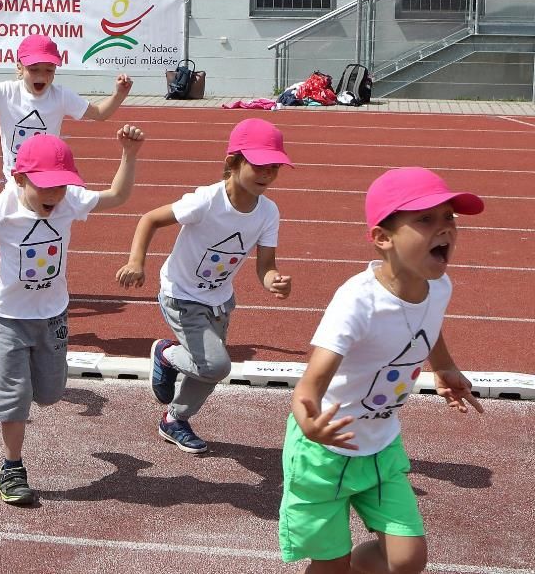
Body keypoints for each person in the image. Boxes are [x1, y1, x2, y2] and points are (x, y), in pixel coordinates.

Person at [0, 128, 145, 505]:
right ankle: (12, 467)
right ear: (20, 178)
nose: (54, 196)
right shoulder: (1, 207)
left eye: (61, 187)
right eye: (45, 187)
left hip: (53, 316)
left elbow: (118, 196)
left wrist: (129, 153)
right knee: (17, 396)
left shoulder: (69, 202)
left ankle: (29, 419)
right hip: (9, 318)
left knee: (50, 393)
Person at [278, 167, 485, 573]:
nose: (444, 228)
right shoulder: (358, 302)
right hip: (324, 450)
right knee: (329, 564)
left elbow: (430, 322)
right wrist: (310, 423)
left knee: (407, 560)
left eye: (448, 218)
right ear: (382, 238)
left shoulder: (439, 286)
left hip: (381, 445)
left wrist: (443, 366)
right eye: (425, 219)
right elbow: (310, 383)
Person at [116, 118, 293, 454]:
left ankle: (175, 420)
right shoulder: (207, 201)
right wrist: (136, 262)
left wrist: (274, 281)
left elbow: (265, 266)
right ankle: (166, 354)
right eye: (258, 165)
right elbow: (150, 219)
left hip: (219, 302)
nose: (267, 174)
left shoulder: (268, 212)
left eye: (274, 167)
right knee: (215, 364)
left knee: (206, 370)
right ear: (233, 163)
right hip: (180, 295)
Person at [0, 35, 133, 182]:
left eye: (49, 70)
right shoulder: (6, 92)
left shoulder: (61, 95)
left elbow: (100, 113)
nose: (42, 75)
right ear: (20, 68)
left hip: (48, 177)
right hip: (15, 178)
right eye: (33, 69)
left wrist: (119, 95)